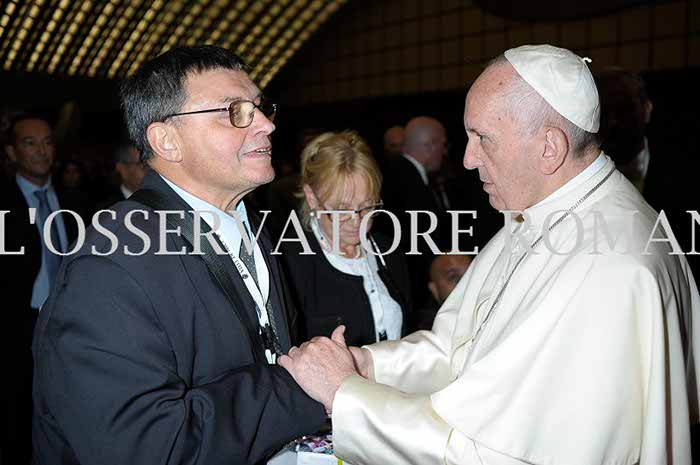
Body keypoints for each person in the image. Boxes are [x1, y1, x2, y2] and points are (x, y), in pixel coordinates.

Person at [278, 44, 700, 464]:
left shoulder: (606, 270)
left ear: (549, 147)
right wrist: (366, 363)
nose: (466, 158)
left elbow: (487, 453)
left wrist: (346, 395)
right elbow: (458, 347)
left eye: (482, 138)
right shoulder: (536, 214)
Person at [32, 45, 325, 465]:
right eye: (233, 111)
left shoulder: (251, 226)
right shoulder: (113, 263)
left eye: (261, 108)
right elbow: (145, 446)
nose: (265, 124)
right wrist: (299, 387)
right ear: (167, 140)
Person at [282, 131, 411, 347]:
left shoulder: (386, 249)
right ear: (312, 197)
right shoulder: (290, 263)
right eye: (342, 209)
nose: (356, 221)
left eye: (367, 206)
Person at [0, 114, 77, 465]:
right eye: (30, 143)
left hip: (72, 325)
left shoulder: (78, 200)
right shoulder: (3, 204)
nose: (41, 151)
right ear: (12, 152)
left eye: (47, 142)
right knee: (19, 416)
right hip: (19, 329)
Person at [379, 116, 449, 305]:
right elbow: (420, 240)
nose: (444, 152)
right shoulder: (408, 181)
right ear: (430, 146)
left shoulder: (395, 174)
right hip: (414, 289)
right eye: (442, 145)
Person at [412, 254, 473, 331]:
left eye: (471, 275)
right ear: (435, 290)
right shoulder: (424, 338)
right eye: (453, 276)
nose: (466, 282)